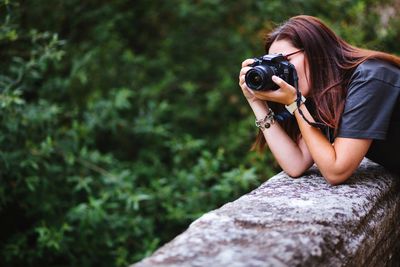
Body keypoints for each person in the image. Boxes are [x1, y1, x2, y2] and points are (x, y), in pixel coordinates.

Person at [238, 15, 400, 185]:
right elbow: (296, 163)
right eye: (272, 65)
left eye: (285, 60)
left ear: (315, 52)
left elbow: (336, 171)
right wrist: (256, 101)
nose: (279, 72)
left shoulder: (370, 78)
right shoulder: (324, 96)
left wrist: (295, 104)